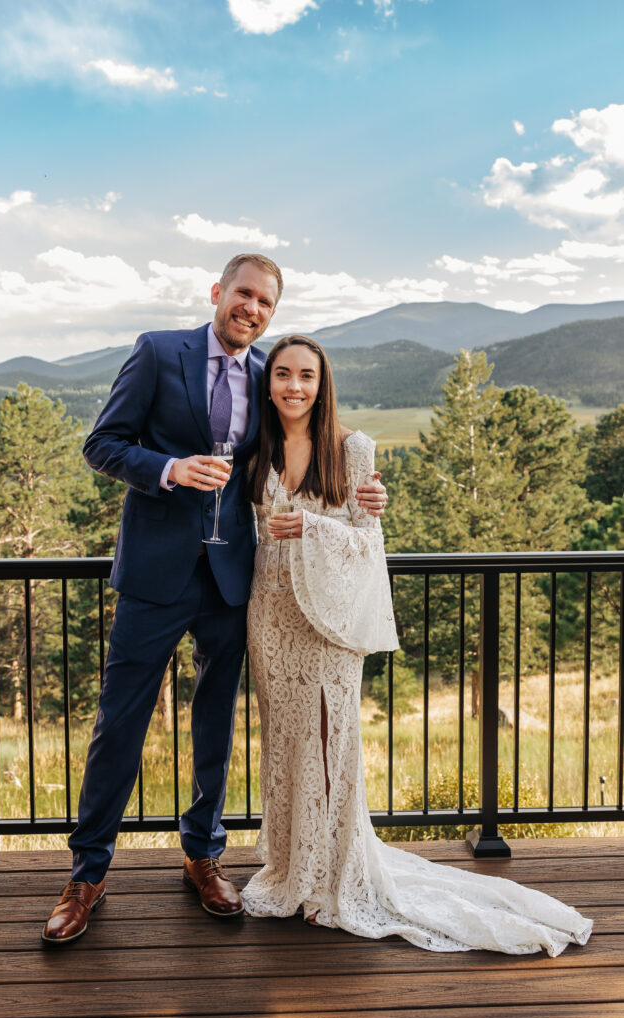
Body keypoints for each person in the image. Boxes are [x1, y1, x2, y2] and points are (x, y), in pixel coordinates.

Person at [42, 255, 387, 944]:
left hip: (236, 582)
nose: (251, 309)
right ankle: (87, 873)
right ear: (217, 294)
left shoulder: (270, 375)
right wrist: (167, 468)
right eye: (243, 295)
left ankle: (203, 856)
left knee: (215, 728)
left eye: (264, 301)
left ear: (271, 312)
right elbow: (101, 445)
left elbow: (305, 450)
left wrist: (366, 495)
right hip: (153, 575)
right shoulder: (156, 352)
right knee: (119, 722)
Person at [241, 334, 593, 957]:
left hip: (329, 624)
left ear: (324, 386)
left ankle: (334, 879)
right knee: (287, 743)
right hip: (268, 616)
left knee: (332, 742)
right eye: (283, 375)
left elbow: (366, 541)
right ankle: (295, 872)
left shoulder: (352, 450)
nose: (294, 386)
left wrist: (317, 525)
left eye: (307, 376)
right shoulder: (257, 450)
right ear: (268, 383)